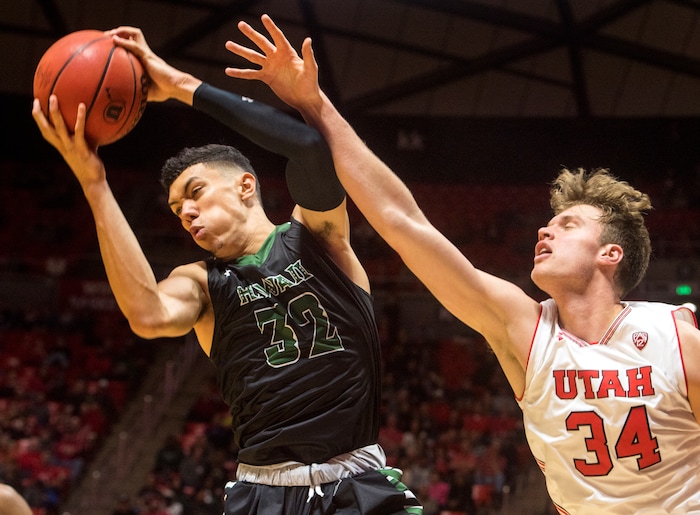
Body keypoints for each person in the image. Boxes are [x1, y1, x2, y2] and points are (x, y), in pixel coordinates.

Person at [221, 14, 700, 514]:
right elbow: (403, 222)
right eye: (549, 222)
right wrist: (313, 104)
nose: (545, 229)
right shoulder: (523, 327)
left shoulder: (674, 338)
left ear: (610, 254)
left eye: (569, 224)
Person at [31, 27, 422, 515]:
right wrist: (95, 186)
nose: (185, 213)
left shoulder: (316, 237)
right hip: (264, 491)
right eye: (176, 210)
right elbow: (148, 314)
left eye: (194, 192)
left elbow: (309, 148)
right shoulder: (201, 282)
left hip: (357, 481)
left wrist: (180, 86)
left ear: (245, 186)